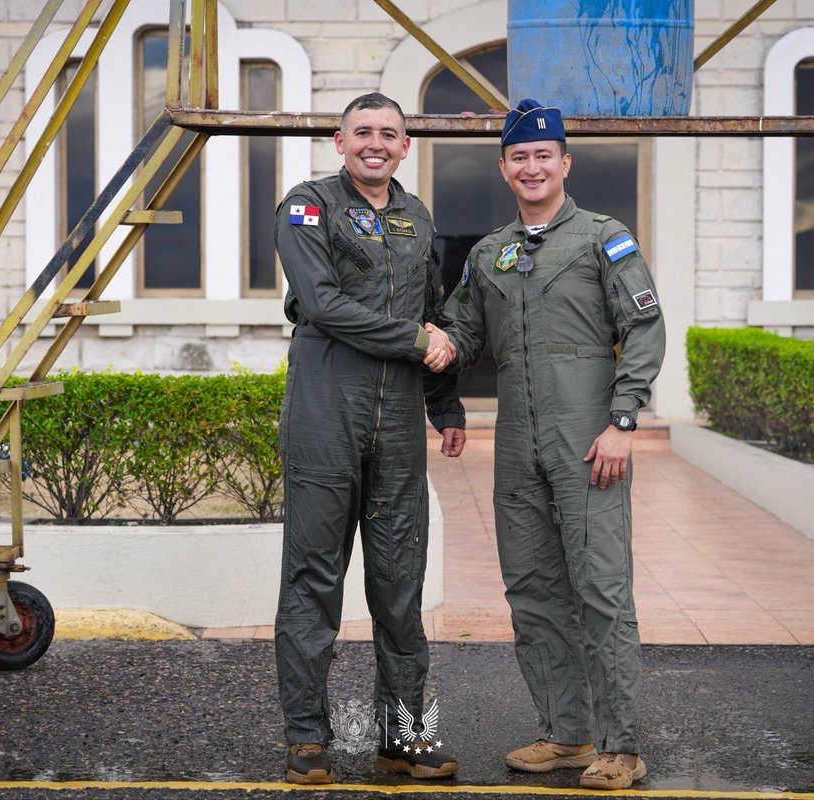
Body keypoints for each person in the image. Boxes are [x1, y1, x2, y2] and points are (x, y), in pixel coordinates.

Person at [444, 99, 666, 790]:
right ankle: (566, 734)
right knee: (534, 592)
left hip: (588, 446)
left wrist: (623, 421)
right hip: (517, 448)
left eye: (545, 155)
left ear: (564, 162)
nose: (532, 166)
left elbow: (646, 330)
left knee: (600, 591)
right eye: (520, 156)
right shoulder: (489, 254)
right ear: (504, 167)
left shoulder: (604, 237)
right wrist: (423, 350)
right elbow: (461, 337)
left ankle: (621, 746)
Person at [272, 92, 466, 785]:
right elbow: (322, 304)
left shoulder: (416, 218)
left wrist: (446, 405)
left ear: (406, 145)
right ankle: (306, 739)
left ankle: (402, 739)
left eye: (389, 132)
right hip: (327, 415)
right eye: (363, 132)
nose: (375, 142)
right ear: (340, 140)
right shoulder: (308, 206)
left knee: (399, 588)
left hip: (398, 428)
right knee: (314, 584)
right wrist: (417, 341)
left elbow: (434, 314)